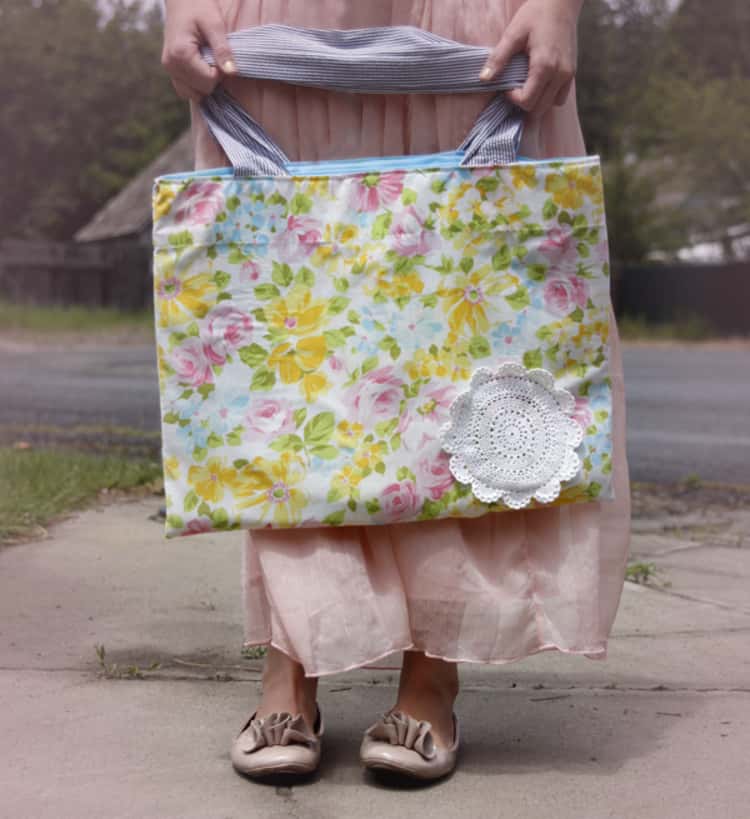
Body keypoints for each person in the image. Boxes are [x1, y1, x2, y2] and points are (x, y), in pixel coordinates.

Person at [161, 0, 630, 782]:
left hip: (470, 24)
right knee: (285, 354)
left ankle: (432, 669)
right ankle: (291, 661)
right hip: (276, 27)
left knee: (473, 348)